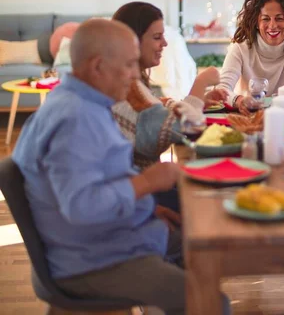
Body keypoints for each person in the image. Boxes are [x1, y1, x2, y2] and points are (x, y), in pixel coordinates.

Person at [12, 19, 192, 314]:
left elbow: (97, 182)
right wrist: (148, 183)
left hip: (94, 241)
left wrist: (144, 207)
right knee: (205, 297)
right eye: (129, 65)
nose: (135, 75)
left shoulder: (75, 102)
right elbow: (82, 205)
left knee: (189, 238)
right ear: (97, 68)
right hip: (90, 261)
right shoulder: (76, 119)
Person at [111, 2, 227, 215]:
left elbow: (160, 107)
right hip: (141, 192)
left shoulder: (136, 84)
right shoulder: (127, 88)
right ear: (132, 42)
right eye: (157, 37)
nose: (164, 43)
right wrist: (200, 84)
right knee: (213, 200)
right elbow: (176, 128)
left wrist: (196, 100)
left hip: (141, 187)